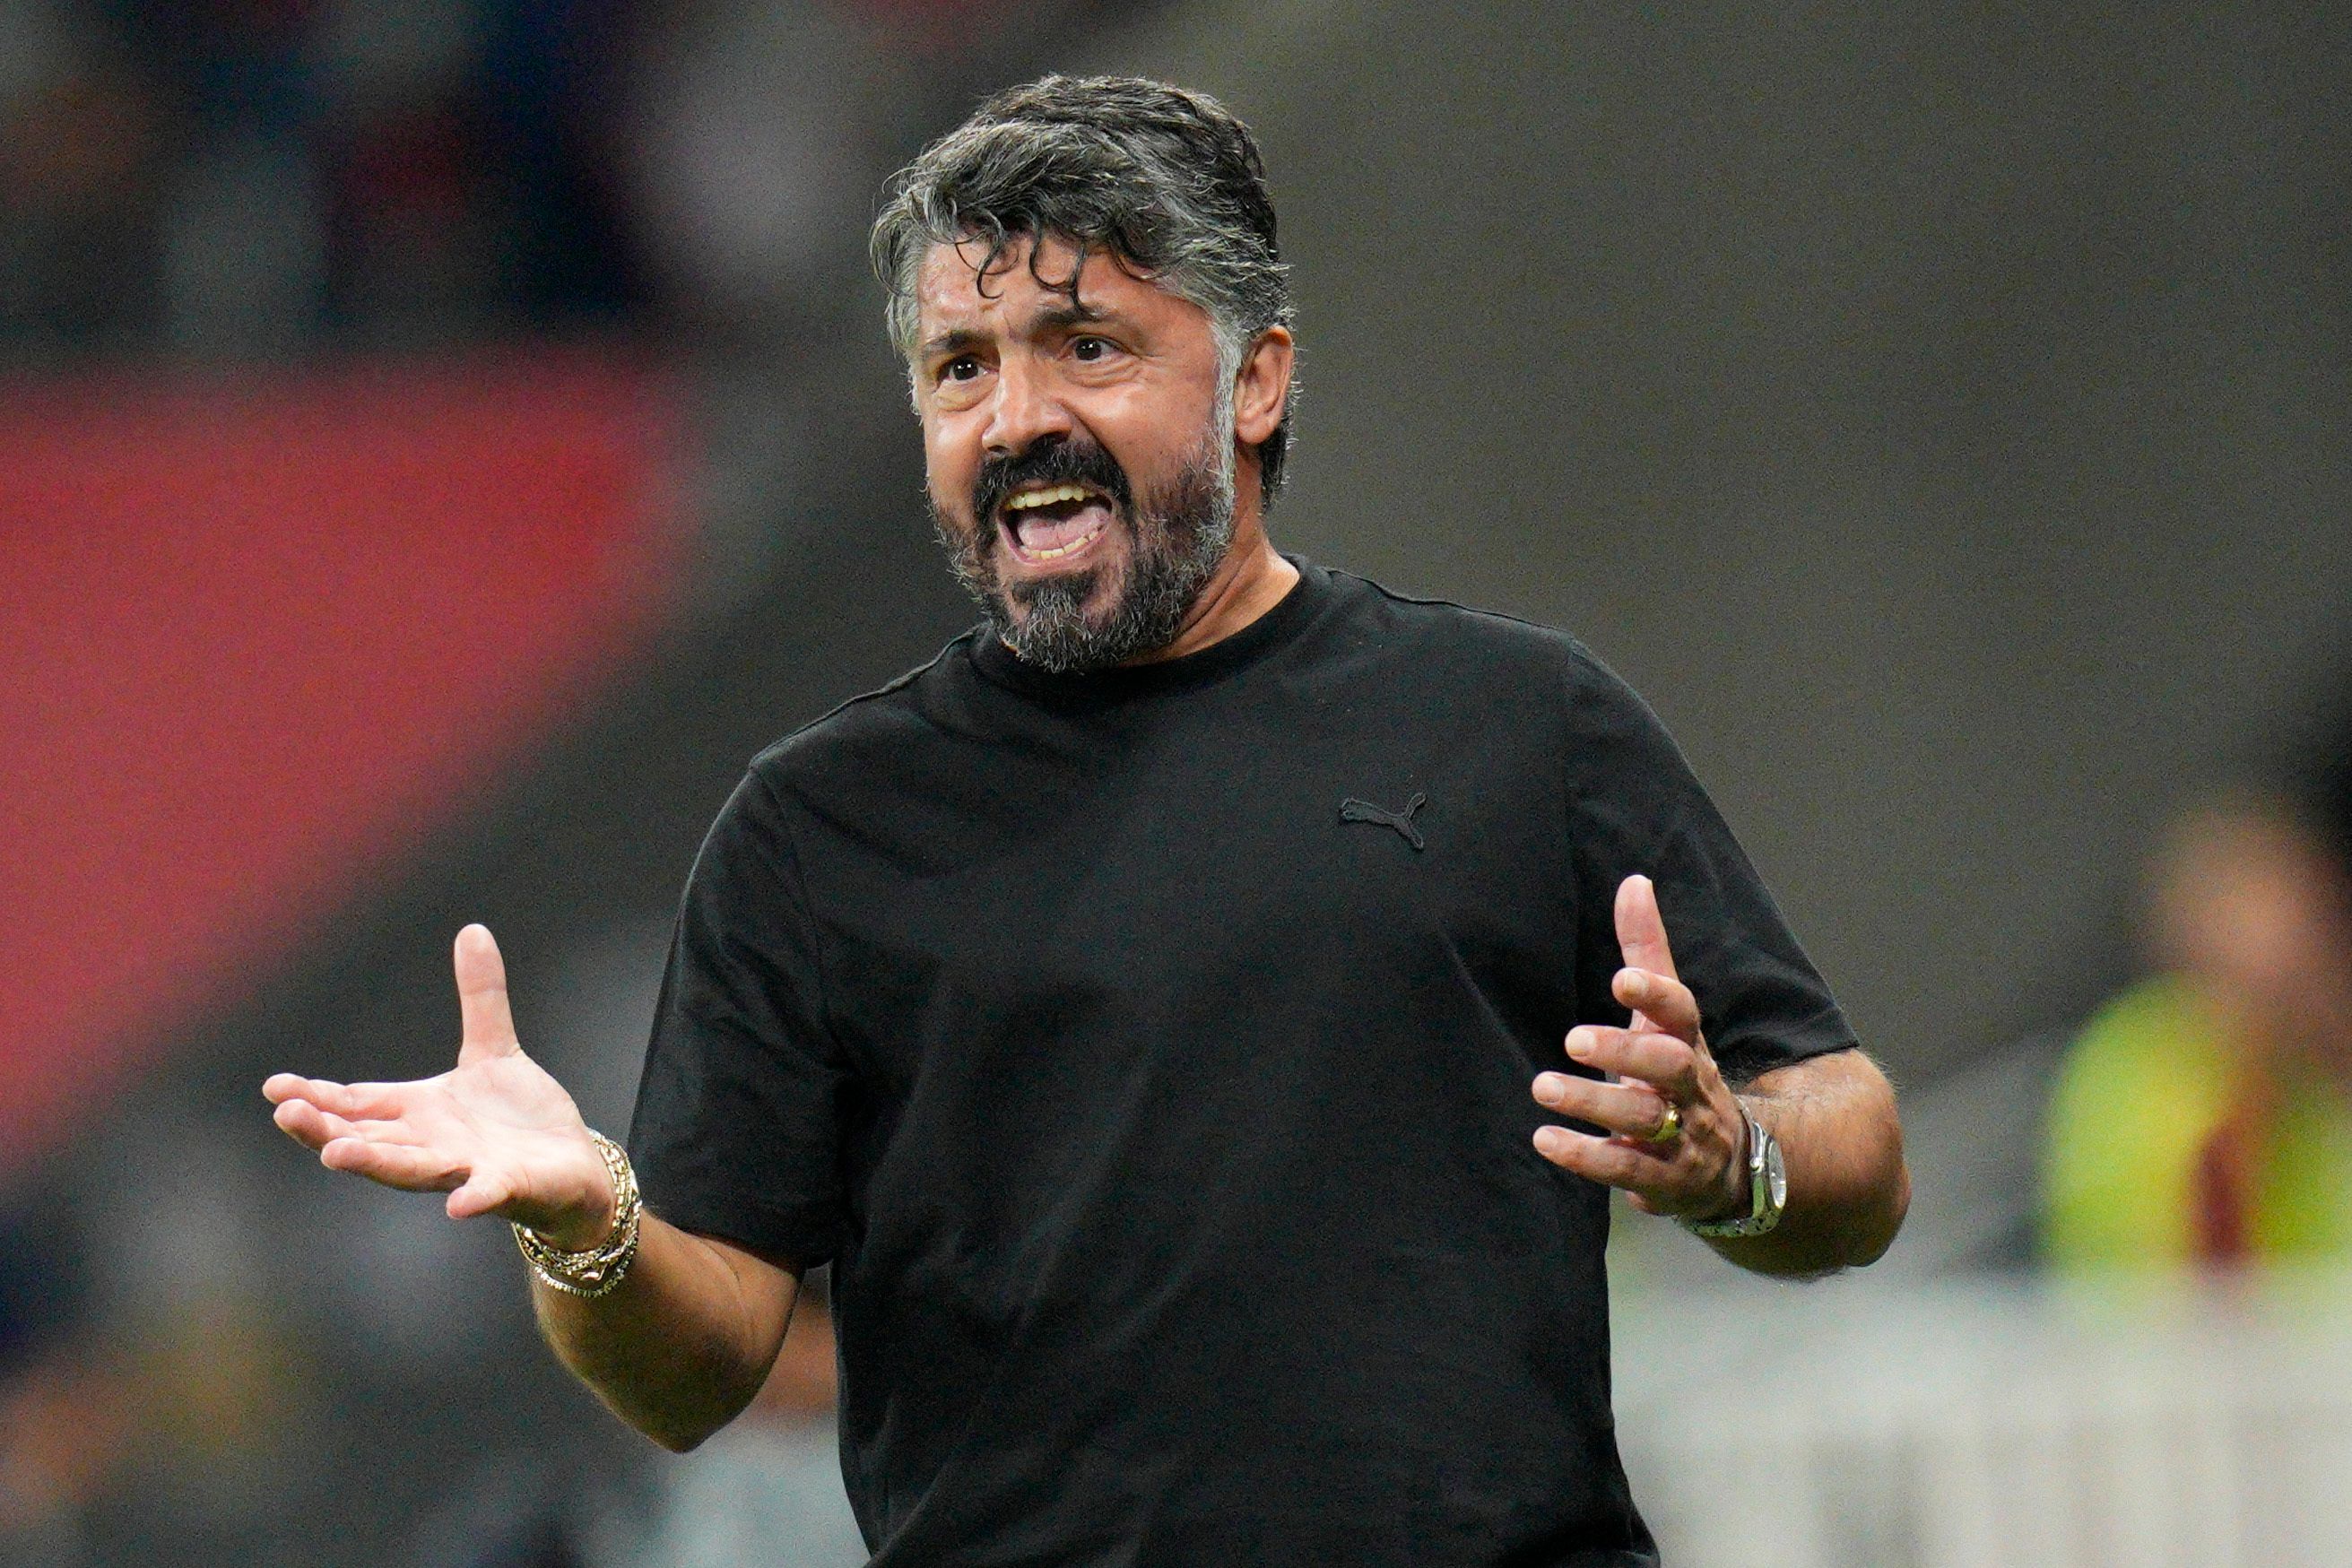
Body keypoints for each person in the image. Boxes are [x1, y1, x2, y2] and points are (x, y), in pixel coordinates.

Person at [266, 75, 1909, 1566]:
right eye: (960, 368)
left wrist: (1735, 1158)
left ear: (1257, 379)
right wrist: (588, 1231)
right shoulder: (815, 832)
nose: (1015, 420)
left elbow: (1854, 1135)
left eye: (1088, 348)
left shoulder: (1516, 722)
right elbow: (694, 1376)